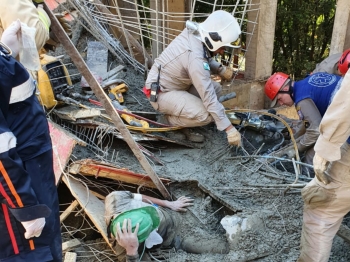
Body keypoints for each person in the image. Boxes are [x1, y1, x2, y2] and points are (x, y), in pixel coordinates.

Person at [0, 23, 61, 261]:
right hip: (18, 185)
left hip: (32, 168)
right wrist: (25, 209)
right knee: (33, 252)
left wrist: (4, 49)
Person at [143, 10, 242, 146]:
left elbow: (204, 54)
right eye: (222, 47)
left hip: (177, 85)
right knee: (206, 115)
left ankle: (186, 117)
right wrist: (229, 129)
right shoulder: (195, 60)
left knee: (216, 88)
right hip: (161, 93)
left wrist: (220, 69)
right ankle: (167, 121)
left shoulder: (197, 33)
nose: (222, 51)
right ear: (213, 40)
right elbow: (207, 94)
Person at [297, 50, 350, 262]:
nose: (281, 105)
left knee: (320, 210)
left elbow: (315, 127)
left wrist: (325, 149)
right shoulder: (307, 85)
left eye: (279, 100)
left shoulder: (301, 96)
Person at [105, 191, 229, 262]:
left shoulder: (116, 199)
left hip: (175, 214)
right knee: (223, 249)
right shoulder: (124, 247)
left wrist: (168, 203)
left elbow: (136, 196)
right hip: (176, 237)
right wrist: (131, 252)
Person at [264, 71, 343, 171]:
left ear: (285, 88)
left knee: (310, 159)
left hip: (345, 116)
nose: (281, 103)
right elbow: (309, 124)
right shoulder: (306, 83)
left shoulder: (302, 99)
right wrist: (293, 141)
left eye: (279, 99)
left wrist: (295, 149)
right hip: (343, 102)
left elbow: (315, 131)